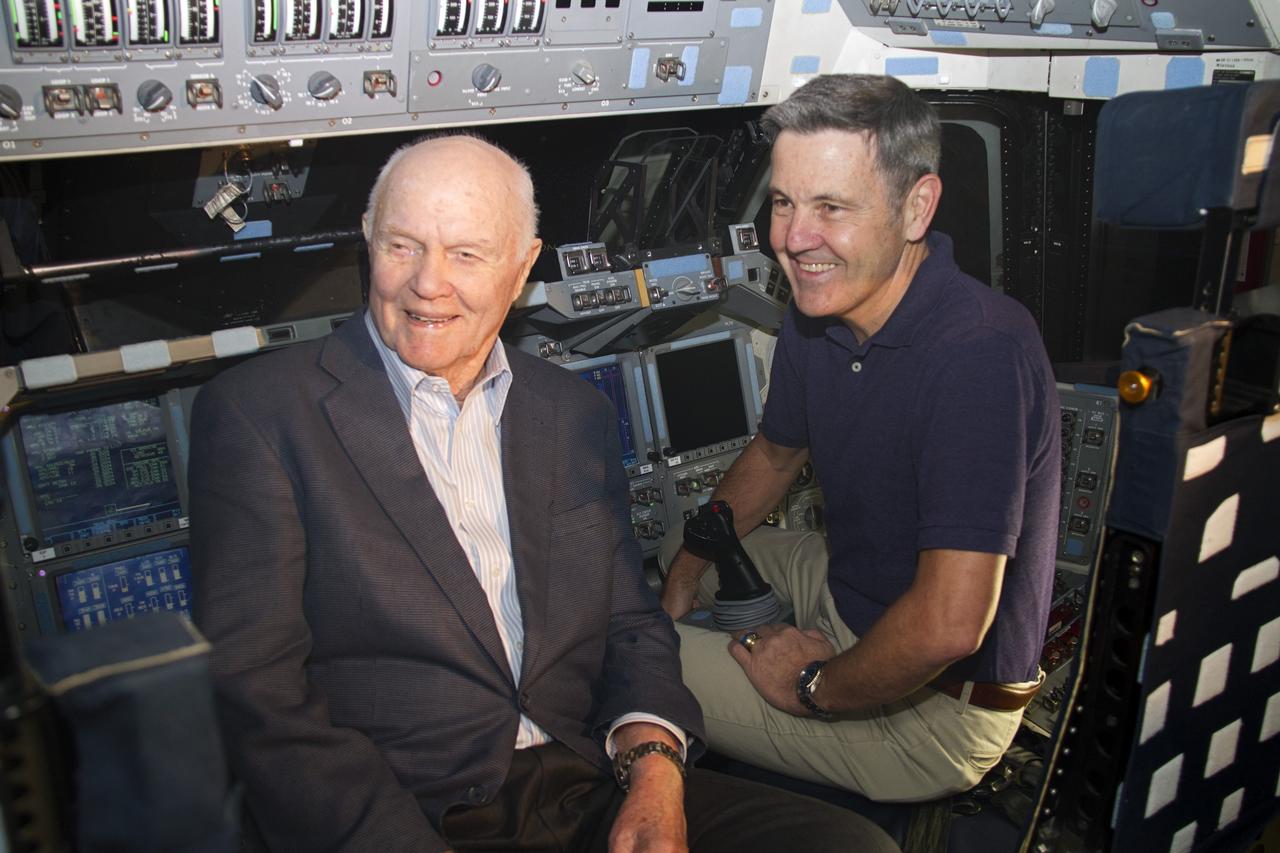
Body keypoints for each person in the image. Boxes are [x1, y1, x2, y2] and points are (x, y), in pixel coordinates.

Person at [190, 134, 897, 852]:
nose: (427, 283)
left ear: (523, 267)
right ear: (368, 244)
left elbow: (630, 624)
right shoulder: (263, 414)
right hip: (414, 806)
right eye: (402, 246)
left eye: (466, 254)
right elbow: (257, 694)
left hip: (586, 776)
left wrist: (655, 773)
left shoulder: (570, 413)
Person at [660, 74, 1061, 803]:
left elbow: (946, 625)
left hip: (939, 707)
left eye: (831, 208)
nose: (794, 239)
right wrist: (685, 575)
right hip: (855, 592)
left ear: (916, 207)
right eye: (783, 202)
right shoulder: (819, 311)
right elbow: (775, 456)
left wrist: (810, 682)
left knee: (637, 659)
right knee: (667, 555)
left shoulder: (978, 352)